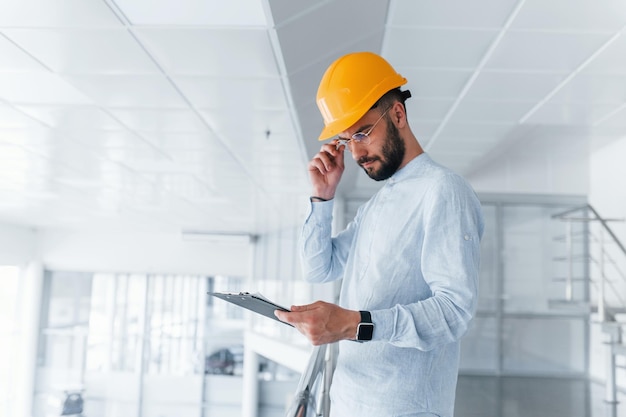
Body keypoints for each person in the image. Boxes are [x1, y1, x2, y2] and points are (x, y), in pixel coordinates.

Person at [275, 51, 484, 417]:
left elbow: (454, 311)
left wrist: (354, 323)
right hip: (349, 402)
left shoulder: (443, 190)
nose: (355, 151)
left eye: (362, 132)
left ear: (398, 115)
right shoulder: (376, 206)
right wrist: (322, 197)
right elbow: (319, 268)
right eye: (345, 139)